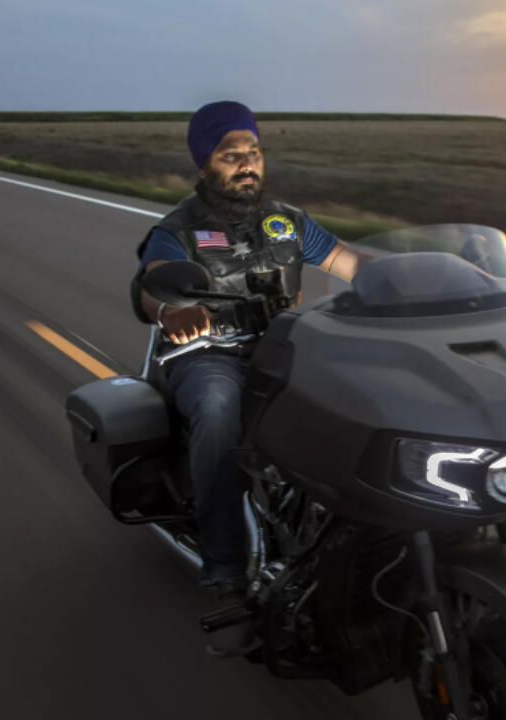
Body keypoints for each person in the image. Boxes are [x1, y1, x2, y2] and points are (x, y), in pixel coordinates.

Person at [130, 101, 362, 628]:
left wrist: (431, 278)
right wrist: (171, 310)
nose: (247, 163)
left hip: (284, 351)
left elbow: (353, 263)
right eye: (230, 154)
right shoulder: (178, 229)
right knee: (217, 409)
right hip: (209, 357)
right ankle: (225, 573)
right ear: (204, 165)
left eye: (254, 152)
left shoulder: (288, 222)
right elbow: (152, 285)